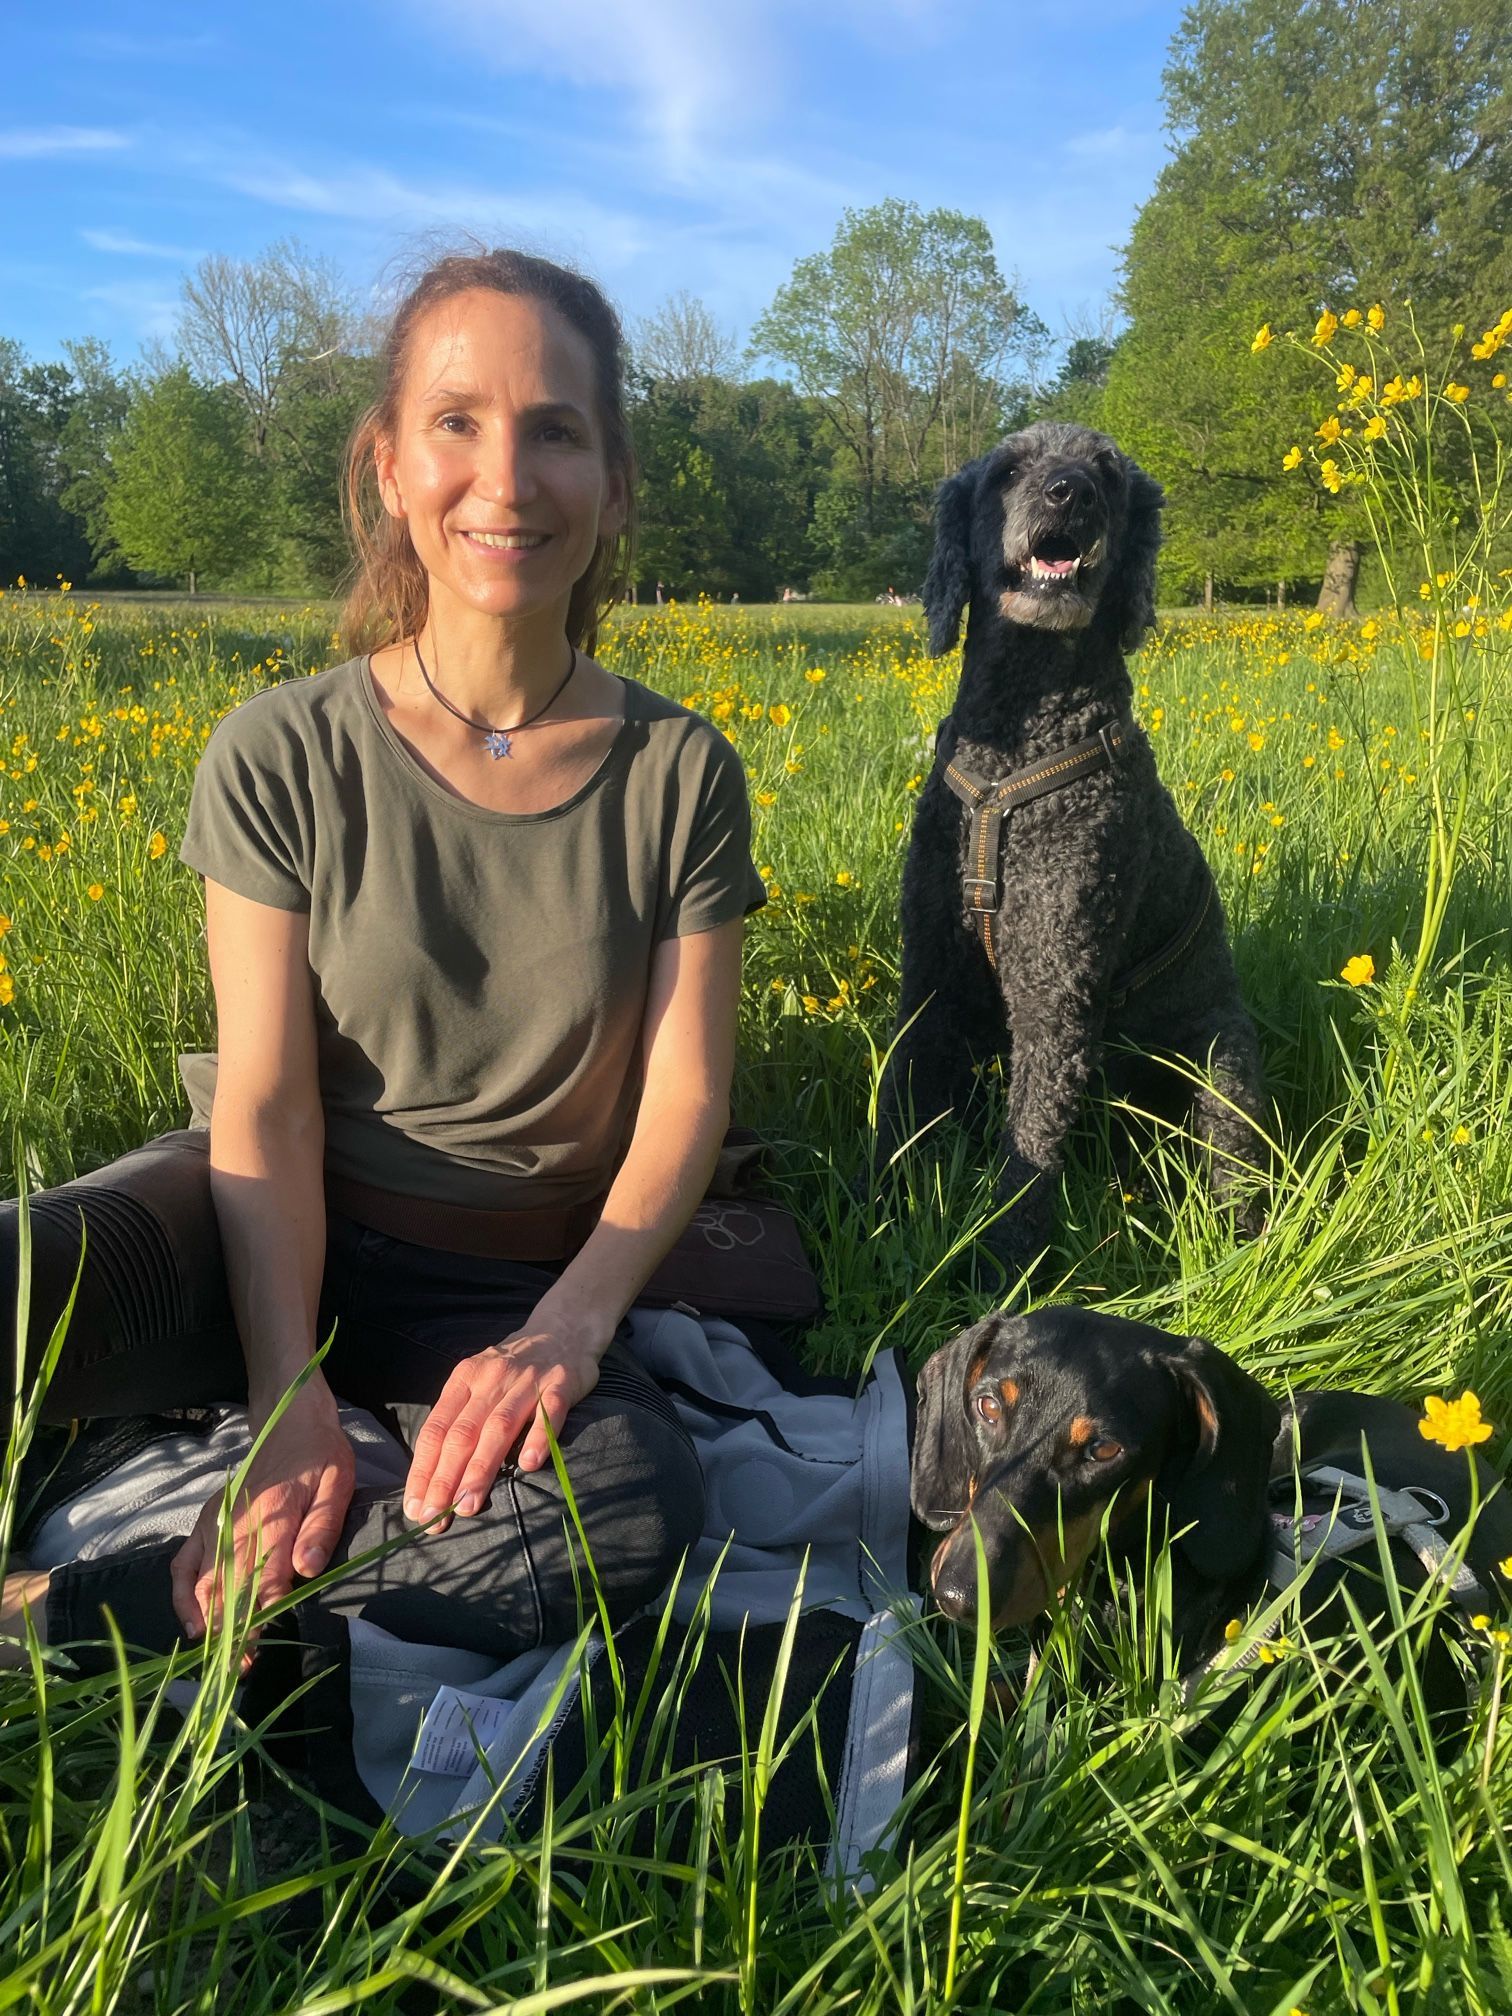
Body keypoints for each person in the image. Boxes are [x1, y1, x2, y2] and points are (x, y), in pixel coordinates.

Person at [0, 249, 766, 1690]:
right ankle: (215, 1462)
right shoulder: (281, 750)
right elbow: (270, 1109)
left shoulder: (680, 771)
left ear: (614, 483)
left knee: (629, 1518)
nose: (507, 477)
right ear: (391, 465)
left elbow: (683, 1104)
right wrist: (285, 1382)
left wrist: (571, 1329)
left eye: (557, 430)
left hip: (500, 1286)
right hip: (253, 1226)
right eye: (459, 422)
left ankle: (88, 1608)